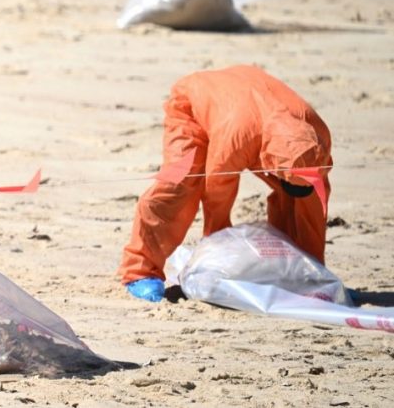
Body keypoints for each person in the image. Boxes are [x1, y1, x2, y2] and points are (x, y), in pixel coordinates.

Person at [118, 65, 332, 303]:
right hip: (195, 105)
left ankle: (298, 274)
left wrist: (316, 274)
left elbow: (314, 204)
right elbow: (217, 189)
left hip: (249, 102)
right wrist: (217, 253)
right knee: (178, 185)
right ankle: (139, 271)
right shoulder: (239, 136)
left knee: (299, 198)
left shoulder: (317, 131)